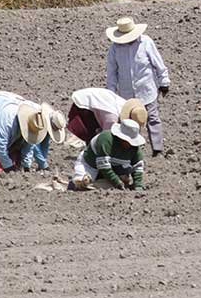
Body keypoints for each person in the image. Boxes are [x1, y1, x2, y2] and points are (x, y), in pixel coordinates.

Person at [106, 17, 170, 156]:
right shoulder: (115, 49)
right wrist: (110, 92)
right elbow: (112, 72)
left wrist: (164, 82)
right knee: (129, 122)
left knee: (152, 118)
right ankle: (131, 151)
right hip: (127, 94)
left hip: (147, 89)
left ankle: (157, 149)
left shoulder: (146, 42)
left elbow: (158, 63)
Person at [0, 92, 53, 174]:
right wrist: (9, 168)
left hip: (4, 115)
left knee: (17, 151)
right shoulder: (9, 120)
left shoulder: (35, 121)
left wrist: (26, 166)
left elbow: (29, 145)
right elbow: (0, 146)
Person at [70, 118, 146, 192]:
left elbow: (138, 166)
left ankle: (99, 182)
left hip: (115, 168)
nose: (129, 144)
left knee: (123, 180)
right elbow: (104, 166)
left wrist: (138, 185)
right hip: (91, 164)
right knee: (81, 182)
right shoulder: (105, 139)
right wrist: (117, 182)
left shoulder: (135, 148)